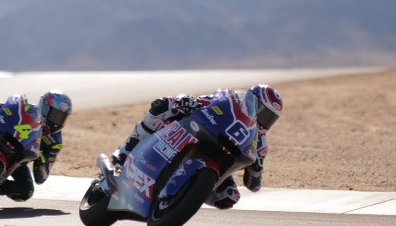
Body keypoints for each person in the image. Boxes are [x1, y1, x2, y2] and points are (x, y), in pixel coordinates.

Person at [110, 84, 284, 209]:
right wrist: (187, 101)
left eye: (269, 117)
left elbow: (253, 186)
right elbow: (206, 101)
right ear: (250, 100)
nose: (263, 119)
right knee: (163, 105)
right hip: (197, 134)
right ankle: (126, 150)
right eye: (262, 111)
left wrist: (256, 169)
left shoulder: (260, 144)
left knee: (229, 196)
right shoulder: (230, 101)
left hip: (219, 162)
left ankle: (181, 199)